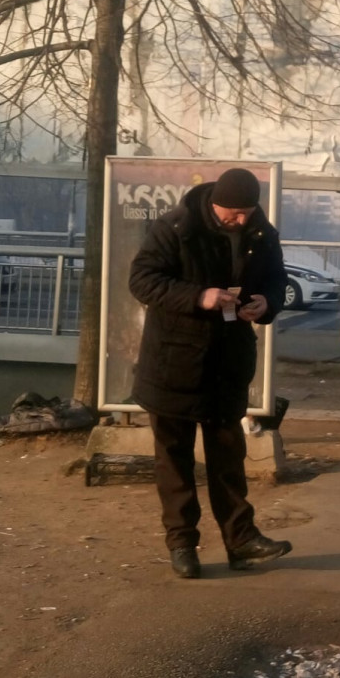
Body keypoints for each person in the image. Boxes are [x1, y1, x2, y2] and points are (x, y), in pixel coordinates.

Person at [129, 167, 293, 578]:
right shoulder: (175, 226)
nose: (239, 220)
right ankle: (183, 544)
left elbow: (277, 280)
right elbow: (142, 280)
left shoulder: (261, 233)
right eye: (231, 214)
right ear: (214, 204)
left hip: (227, 363)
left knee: (228, 458)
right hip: (172, 362)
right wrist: (198, 296)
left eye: (246, 213)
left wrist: (267, 303)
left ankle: (242, 540)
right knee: (174, 461)